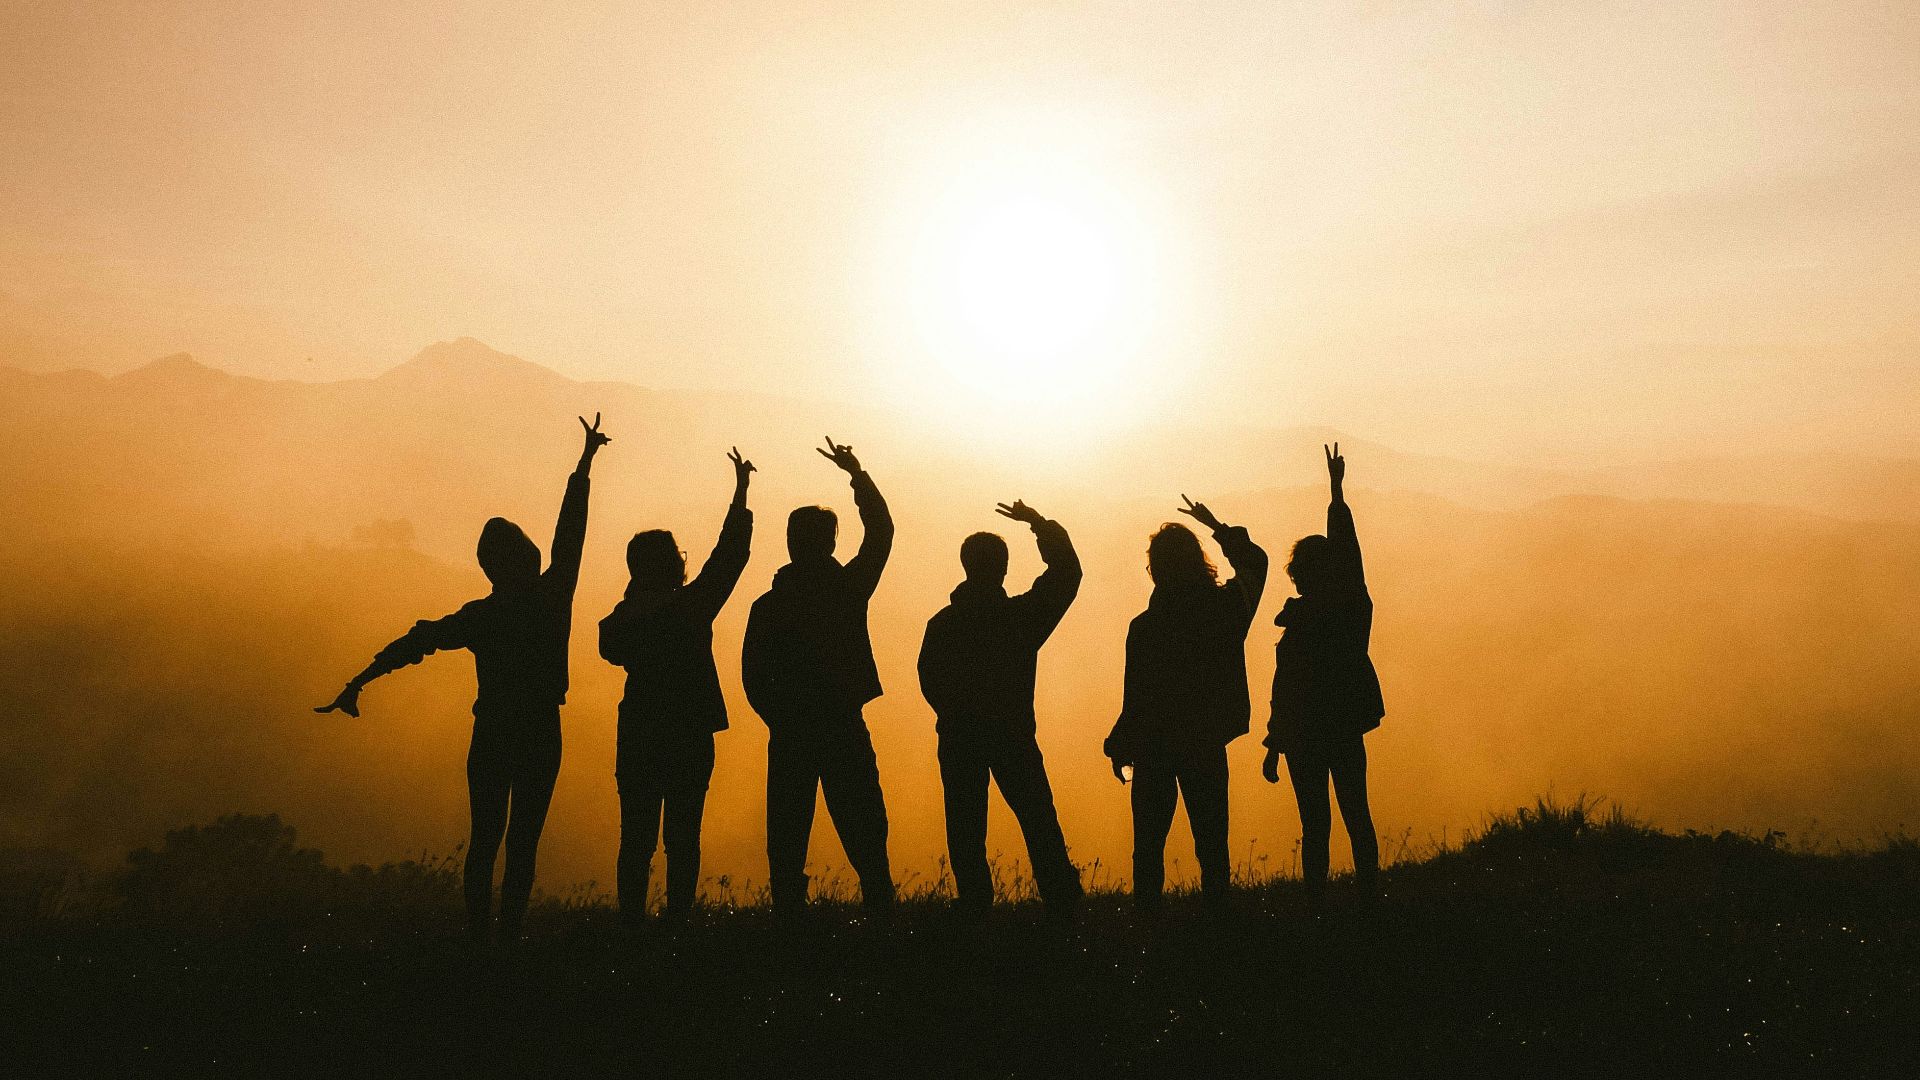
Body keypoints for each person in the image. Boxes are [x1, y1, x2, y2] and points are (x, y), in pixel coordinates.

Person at [316, 414, 611, 943]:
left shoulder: (482, 616)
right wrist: (584, 465)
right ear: (525, 557)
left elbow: (417, 641)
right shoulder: (551, 597)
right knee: (523, 843)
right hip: (540, 731)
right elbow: (572, 533)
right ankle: (507, 937)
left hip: (494, 732)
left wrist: (359, 680)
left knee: (485, 840)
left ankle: (480, 938)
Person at [599, 448, 755, 924]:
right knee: (683, 837)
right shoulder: (692, 607)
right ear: (674, 565)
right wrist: (741, 494)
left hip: (640, 732)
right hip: (689, 734)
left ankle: (631, 923)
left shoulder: (622, 619)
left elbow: (610, 647)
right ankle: (679, 923)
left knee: (636, 839)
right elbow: (730, 557)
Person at [741, 437, 895, 914]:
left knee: (787, 833)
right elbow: (882, 532)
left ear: (791, 541)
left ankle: (789, 918)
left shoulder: (770, 604)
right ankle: (880, 910)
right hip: (840, 724)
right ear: (830, 541)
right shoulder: (847, 589)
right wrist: (857, 474)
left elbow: (753, 676)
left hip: (790, 731)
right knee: (864, 826)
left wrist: (779, 717)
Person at [918, 500, 1084, 917]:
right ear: (1004, 568)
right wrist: (1039, 524)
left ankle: (975, 903)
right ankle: (1062, 897)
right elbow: (1068, 574)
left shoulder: (942, 624)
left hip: (959, 734)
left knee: (965, 824)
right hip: (1012, 734)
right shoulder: (1020, 618)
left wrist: (954, 713)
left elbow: (929, 679)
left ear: (965, 566)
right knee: (1037, 817)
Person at [1104, 496, 1267, 911]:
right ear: (1198, 562)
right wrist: (1216, 525)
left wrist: (1119, 745)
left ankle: (1147, 925)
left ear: (1155, 570)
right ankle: (1218, 926)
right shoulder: (1226, 609)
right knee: (1212, 843)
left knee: (1148, 848)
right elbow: (1256, 563)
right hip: (1205, 740)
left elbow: (1135, 697)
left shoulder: (1144, 628)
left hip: (1154, 747)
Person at [1262, 443, 1383, 902]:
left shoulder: (1311, 619)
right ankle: (1367, 896)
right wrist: (1335, 494)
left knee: (1316, 823)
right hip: (1342, 726)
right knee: (1356, 812)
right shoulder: (1351, 608)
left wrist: (1275, 743)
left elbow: (1285, 691)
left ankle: (1316, 903)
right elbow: (1349, 554)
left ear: (1297, 574)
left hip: (1304, 735)